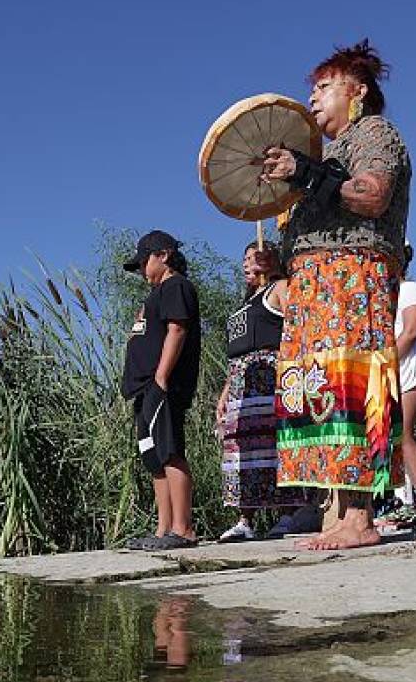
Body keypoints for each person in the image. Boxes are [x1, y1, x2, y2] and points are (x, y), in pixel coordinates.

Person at [259, 39, 410, 551]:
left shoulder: (374, 132)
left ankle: (361, 516)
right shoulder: (326, 154)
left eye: (325, 87)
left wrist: (303, 172)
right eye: (313, 89)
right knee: (314, 389)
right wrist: (274, 265)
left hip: (352, 276)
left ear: (358, 91)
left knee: (353, 381)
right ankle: (333, 512)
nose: (314, 97)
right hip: (311, 288)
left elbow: (371, 196)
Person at [214, 242, 311, 542]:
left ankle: (288, 512)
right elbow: (237, 351)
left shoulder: (280, 288)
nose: (246, 264)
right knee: (242, 449)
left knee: (276, 443)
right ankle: (245, 518)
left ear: (269, 259)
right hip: (241, 380)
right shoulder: (245, 303)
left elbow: (299, 328)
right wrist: (225, 394)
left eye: (253, 257)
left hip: (271, 375)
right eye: (243, 258)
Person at [120, 230, 203, 551]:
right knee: (153, 458)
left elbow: (177, 328)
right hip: (143, 388)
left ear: (163, 255)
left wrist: (161, 377)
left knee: (170, 452)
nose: (141, 269)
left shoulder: (176, 285)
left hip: (161, 385)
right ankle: (163, 528)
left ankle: (183, 528)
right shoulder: (155, 293)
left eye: (144, 261)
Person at [378, 241, 416, 523]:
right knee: (391, 437)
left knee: (405, 432)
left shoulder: (411, 288)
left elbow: (411, 331)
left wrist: (385, 363)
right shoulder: (381, 295)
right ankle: (404, 497)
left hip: (409, 366)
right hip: (389, 370)